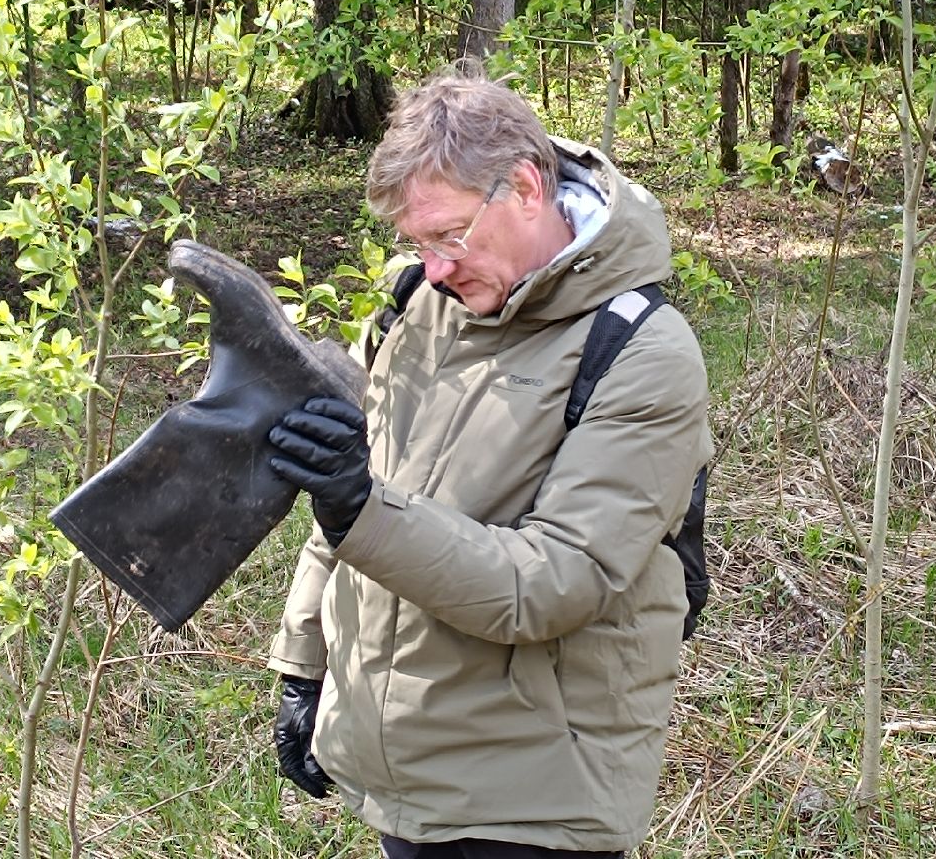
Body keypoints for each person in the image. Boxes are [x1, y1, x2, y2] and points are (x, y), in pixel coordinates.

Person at [262, 72, 714, 858]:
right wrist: (304, 668)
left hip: (538, 801)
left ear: (527, 187)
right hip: (407, 778)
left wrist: (359, 509)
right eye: (416, 244)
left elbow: (553, 583)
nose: (434, 266)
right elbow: (343, 508)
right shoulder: (419, 311)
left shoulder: (641, 349)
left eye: (450, 235)